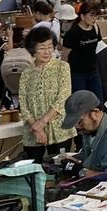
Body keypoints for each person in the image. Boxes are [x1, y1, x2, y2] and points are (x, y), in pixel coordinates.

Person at [18, 26, 72, 161]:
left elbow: (63, 97)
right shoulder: (26, 74)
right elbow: (23, 104)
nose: (47, 52)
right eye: (42, 48)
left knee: (60, 166)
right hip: (33, 131)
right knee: (32, 167)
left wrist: (42, 122)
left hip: (59, 129)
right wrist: (36, 128)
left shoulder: (62, 67)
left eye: (50, 47)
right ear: (32, 49)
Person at [60, 90, 107, 174]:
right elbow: (87, 156)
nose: (77, 128)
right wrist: (72, 160)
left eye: (80, 122)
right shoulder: (90, 130)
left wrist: (81, 172)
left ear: (95, 114)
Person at [61, 2, 104, 97]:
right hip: (77, 75)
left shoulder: (95, 28)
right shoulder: (72, 33)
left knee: (97, 100)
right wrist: (64, 75)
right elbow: (64, 56)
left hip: (93, 72)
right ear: (82, 16)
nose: (94, 18)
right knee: (81, 102)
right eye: (91, 15)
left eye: (96, 15)